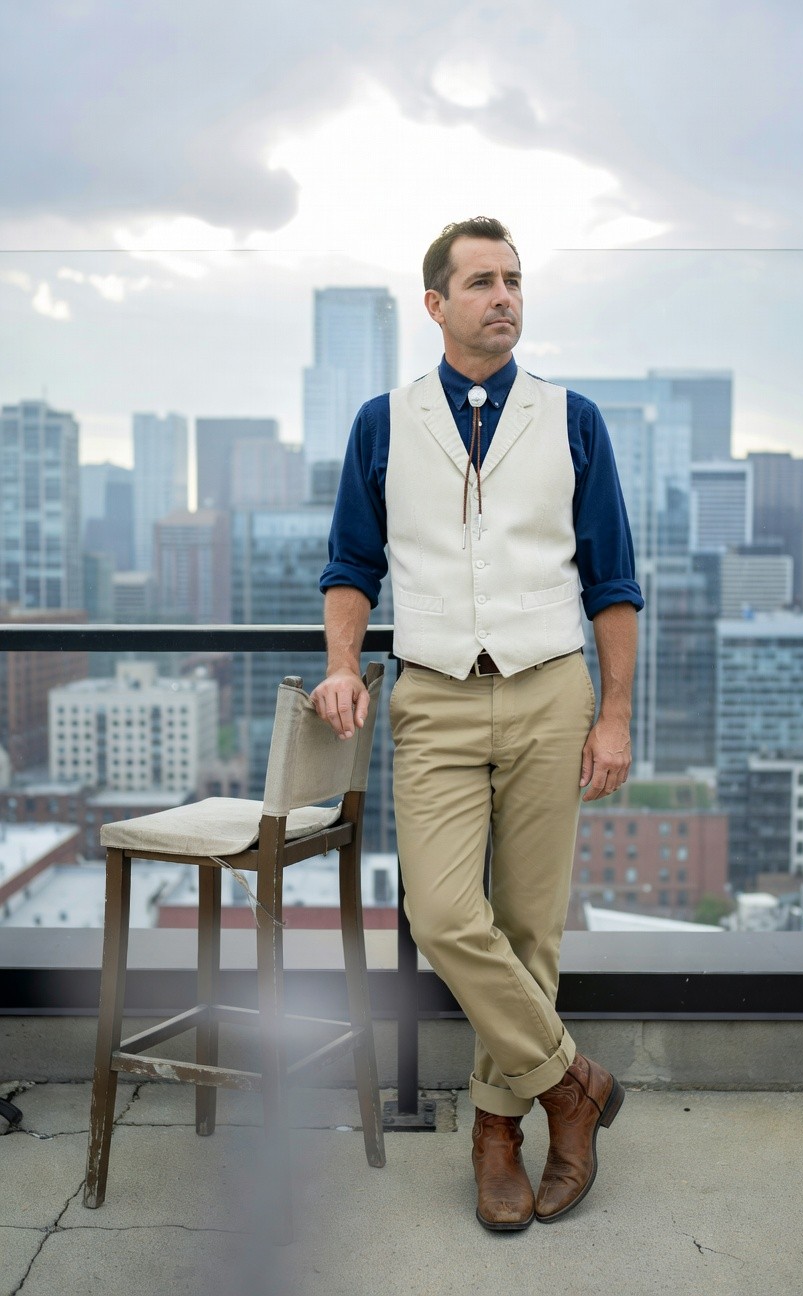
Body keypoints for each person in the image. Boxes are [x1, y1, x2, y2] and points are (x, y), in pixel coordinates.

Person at [312, 216, 644, 1231]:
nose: (504, 296)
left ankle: (499, 1135)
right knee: (447, 915)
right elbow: (349, 566)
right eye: (482, 282)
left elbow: (614, 580)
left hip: (552, 691)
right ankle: (571, 1084)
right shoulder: (385, 421)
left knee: (531, 927)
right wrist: (339, 667)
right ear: (437, 305)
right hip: (435, 696)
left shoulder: (572, 418)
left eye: (513, 281)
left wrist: (617, 714)